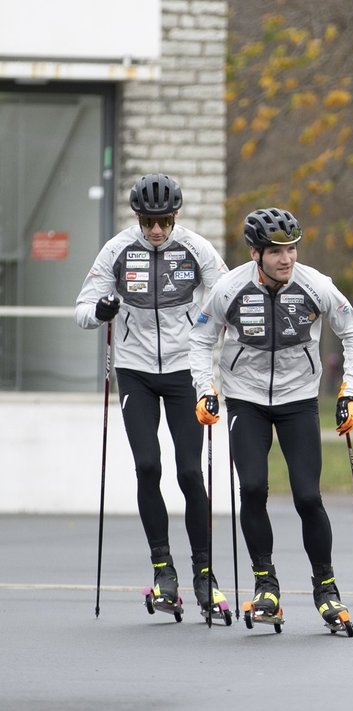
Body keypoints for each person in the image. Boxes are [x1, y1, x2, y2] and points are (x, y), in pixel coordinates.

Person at [189, 207, 353, 633]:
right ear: (256, 253)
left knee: (308, 496)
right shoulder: (229, 288)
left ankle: (326, 586)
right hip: (246, 399)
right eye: (275, 252)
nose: (286, 259)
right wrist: (205, 388)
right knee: (251, 489)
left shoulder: (315, 285)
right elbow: (200, 337)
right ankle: (265, 583)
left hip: (299, 399)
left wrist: (350, 391)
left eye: (291, 249)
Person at [74, 173, 229, 621]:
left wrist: (208, 328)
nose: (156, 230)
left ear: (175, 216)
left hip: (184, 370)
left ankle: (204, 572)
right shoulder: (117, 249)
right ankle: (163, 568)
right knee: (147, 466)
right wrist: (100, 311)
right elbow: (82, 308)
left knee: (189, 473)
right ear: (137, 217)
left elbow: (225, 295)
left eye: (163, 220)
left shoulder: (197, 248)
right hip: (135, 372)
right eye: (147, 221)